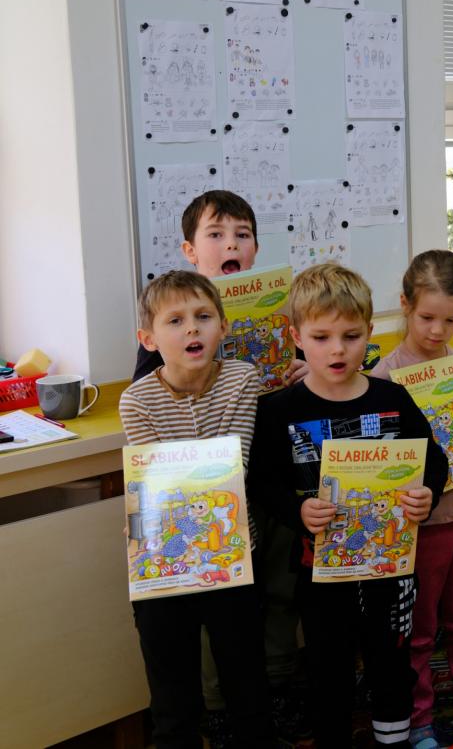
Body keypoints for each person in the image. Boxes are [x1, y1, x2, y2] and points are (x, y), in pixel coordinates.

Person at [252, 263, 448, 747]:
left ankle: (394, 739)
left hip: (390, 570)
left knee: (391, 664)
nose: (337, 349)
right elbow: (262, 484)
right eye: (321, 337)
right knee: (327, 669)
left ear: (370, 332)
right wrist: (297, 513)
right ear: (296, 337)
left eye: (351, 336)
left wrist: (426, 494)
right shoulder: (278, 410)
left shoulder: (392, 398)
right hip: (319, 575)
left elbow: (434, 461)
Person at [119, 270, 275, 747]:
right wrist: (184, 488)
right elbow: (160, 481)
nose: (192, 328)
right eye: (175, 320)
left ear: (223, 327)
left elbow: (235, 465)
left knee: (247, 684)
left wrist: (182, 487)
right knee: (173, 698)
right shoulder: (136, 400)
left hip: (233, 554)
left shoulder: (241, 378)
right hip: (162, 564)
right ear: (148, 339)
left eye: (203, 316)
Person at [372, 251, 453, 749]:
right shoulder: (384, 377)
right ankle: (421, 716)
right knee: (419, 628)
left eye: (450, 320)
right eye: (427, 317)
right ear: (405, 305)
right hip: (420, 527)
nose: (437, 331)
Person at [133, 190, 307, 385]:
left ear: (255, 249)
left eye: (242, 235)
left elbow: (307, 360)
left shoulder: (287, 302)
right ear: (190, 251)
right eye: (215, 234)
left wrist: (312, 373)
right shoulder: (170, 311)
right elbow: (143, 389)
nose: (232, 244)